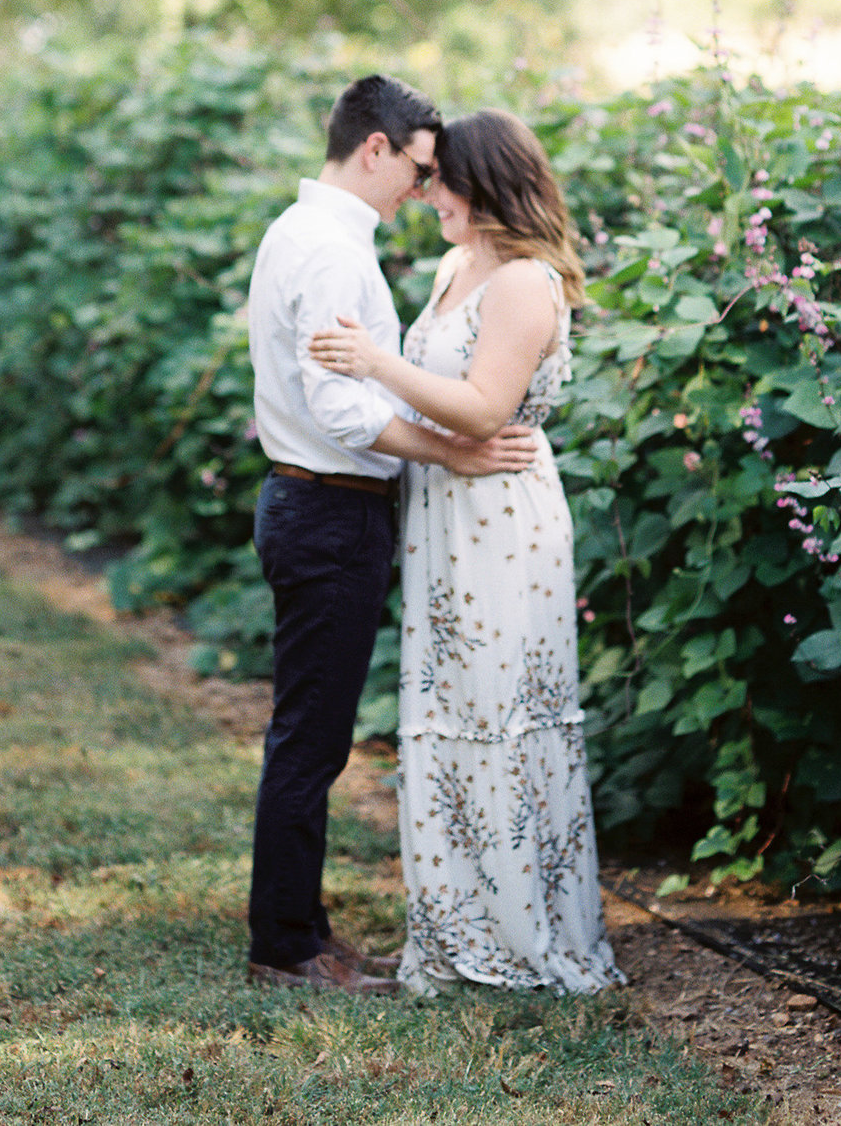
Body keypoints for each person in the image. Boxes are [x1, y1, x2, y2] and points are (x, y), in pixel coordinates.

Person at [309, 108, 622, 997]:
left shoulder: (526, 281)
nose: (427, 191)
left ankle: (525, 937)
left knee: (501, 716)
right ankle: (458, 932)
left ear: (486, 184)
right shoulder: (454, 266)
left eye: (442, 177)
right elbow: (443, 408)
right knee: (447, 714)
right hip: (445, 511)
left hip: (502, 515)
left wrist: (371, 362)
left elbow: (484, 408)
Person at [245, 74, 540, 994]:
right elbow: (341, 407)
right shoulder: (330, 251)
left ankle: (303, 929)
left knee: (315, 729)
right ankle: (287, 944)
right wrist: (449, 455)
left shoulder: (310, 234)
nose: (423, 188)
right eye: (417, 167)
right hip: (330, 507)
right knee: (312, 735)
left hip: (318, 504)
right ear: (375, 147)